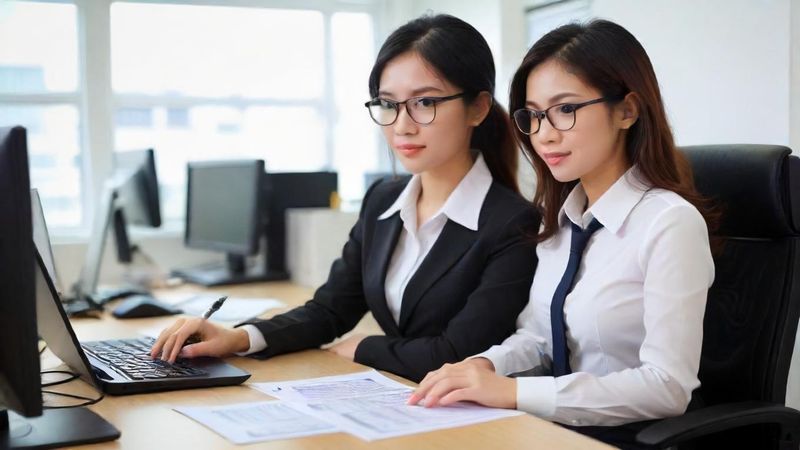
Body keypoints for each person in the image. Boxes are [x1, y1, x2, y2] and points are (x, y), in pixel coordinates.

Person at [150, 14, 541, 383]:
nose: (402, 125)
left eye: (425, 102)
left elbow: (458, 352)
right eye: (388, 104)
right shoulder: (383, 201)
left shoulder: (513, 224)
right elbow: (331, 310)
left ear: (478, 107)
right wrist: (237, 338)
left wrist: (366, 348)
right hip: (397, 400)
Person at [408, 19, 718, 448]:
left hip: (628, 438)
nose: (544, 134)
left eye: (566, 109)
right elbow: (539, 338)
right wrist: (482, 366)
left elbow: (667, 386)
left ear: (627, 110)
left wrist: (515, 392)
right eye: (533, 115)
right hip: (555, 432)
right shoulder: (558, 221)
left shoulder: (669, 223)